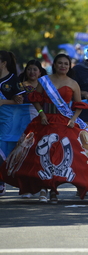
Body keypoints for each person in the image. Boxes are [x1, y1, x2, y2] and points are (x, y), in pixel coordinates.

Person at [0, 53, 88, 204]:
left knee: (65, 157)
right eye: (60, 63)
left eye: (66, 64)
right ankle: (43, 188)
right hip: (45, 121)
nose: (63, 66)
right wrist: (41, 114)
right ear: (54, 65)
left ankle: (54, 188)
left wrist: (73, 119)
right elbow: (36, 99)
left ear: (69, 67)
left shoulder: (73, 83)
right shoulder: (44, 81)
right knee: (41, 155)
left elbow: (79, 105)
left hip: (65, 122)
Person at [18, 59, 47, 199]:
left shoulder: (46, 86)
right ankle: (26, 188)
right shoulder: (19, 86)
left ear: (40, 72)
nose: (32, 72)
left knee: (40, 155)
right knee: (25, 156)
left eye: (35, 69)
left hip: (42, 122)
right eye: (29, 69)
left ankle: (43, 187)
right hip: (22, 123)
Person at [0, 50, 23, 196]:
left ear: (3, 63)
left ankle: (1, 181)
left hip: (7, 121)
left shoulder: (14, 80)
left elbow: (20, 101)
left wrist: (3, 102)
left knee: (2, 150)